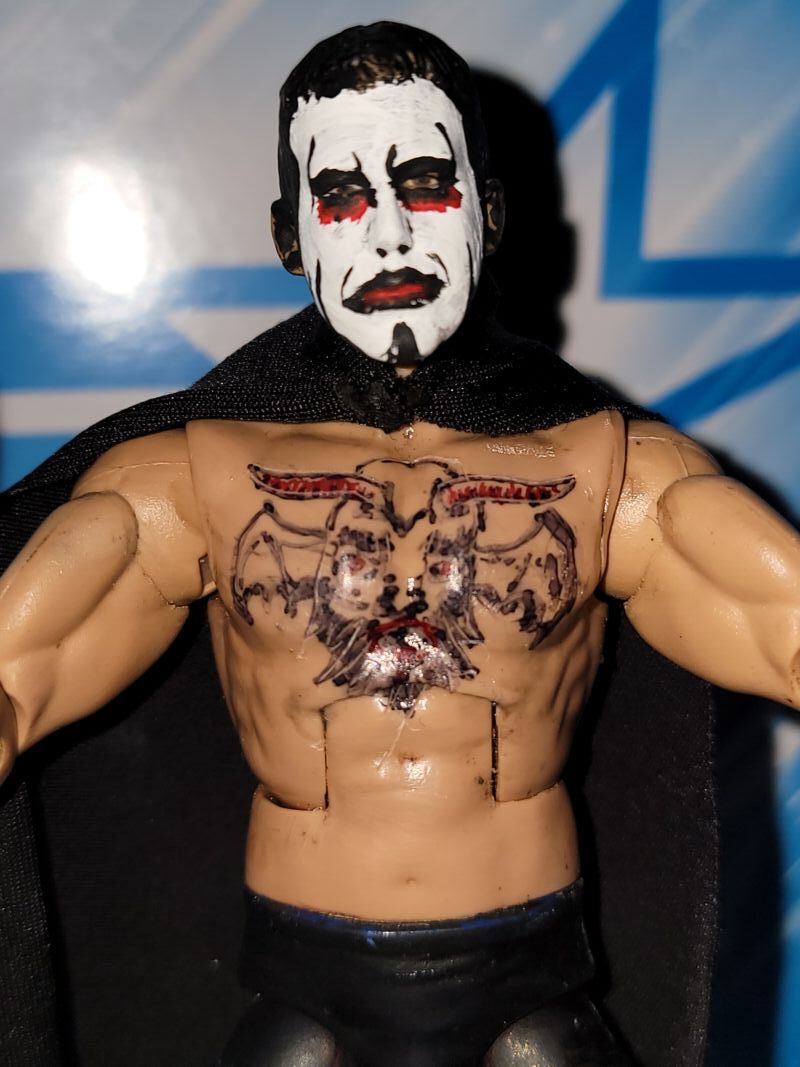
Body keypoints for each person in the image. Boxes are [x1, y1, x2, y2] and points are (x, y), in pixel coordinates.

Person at [1, 21, 797, 1067]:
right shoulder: (194, 479)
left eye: (423, 183)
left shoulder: (605, 470)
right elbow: (15, 679)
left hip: (532, 975)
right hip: (304, 979)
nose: (385, 234)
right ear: (291, 236)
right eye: (340, 195)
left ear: (487, 211)